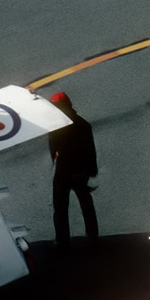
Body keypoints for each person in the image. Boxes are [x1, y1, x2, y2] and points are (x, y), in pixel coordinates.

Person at [48, 91, 98, 249]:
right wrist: (91, 170)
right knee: (86, 203)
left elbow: (53, 148)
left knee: (60, 207)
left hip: (63, 171)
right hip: (80, 171)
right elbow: (91, 150)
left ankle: (62, 240)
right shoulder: (83, 125)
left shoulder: (56, 125)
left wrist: (55, 155)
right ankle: (92, 236)